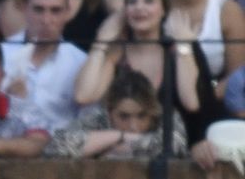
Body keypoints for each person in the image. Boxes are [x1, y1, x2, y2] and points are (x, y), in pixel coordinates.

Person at [74, 0, 226, 146]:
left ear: (163, 10)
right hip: (120, 150)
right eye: (132, 2)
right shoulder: (116, 52)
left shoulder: (179, 48)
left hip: (174, 149)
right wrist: (101, 42)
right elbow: (83, 95)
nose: (139, 7)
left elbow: (191, 102)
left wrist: (184, 46)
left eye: (149, 1)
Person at [0, 0, 87, 132]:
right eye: (38, 10)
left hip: (60, 151)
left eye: (55, 11)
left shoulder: (80, 62)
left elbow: (87, 121)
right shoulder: (1, 55)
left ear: (67, 12)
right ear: (24, 8)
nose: (46, 20)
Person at [46, 68, 189, 158]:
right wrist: (119, 136)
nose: (133, 126)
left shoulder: (165, 115)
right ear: (109, 111)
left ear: (152, 111)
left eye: (141, 116)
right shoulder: (99, 117)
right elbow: (56, 146)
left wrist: (105, 147)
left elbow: (173, 146)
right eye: (124, 116)